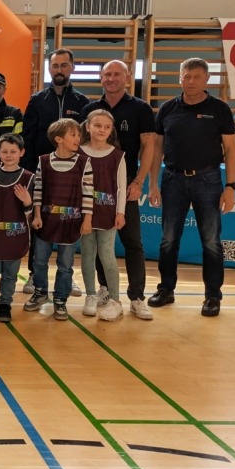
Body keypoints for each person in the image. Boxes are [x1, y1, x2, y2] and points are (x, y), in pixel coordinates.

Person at [148, 57, 235, 318]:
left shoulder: (219, 109)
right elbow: (157, 149)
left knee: (211, 241)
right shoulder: (167, 109)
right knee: (168, 239)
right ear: (180, 77)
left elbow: (231, 149)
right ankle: (166, 289)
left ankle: (212, 297)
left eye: (196, 77)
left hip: (208, 180)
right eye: (186, 76)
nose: (190, 82)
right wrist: (153, 184)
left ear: (207, 79)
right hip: (173, 179)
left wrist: (231, 186)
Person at [81, 60, 156, 317]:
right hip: (94, 189)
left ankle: (137, 297)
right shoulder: (90, 109)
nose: (112, 78)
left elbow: (149, 146)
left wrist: (138, 182)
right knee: (98, 243)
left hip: (126, 184)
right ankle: (104, 289)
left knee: (132, 241)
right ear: (101, 78)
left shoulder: (141, 108)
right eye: (107, 74)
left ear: (128, 77)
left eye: (117, 74)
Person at [21, 49, 90, 296]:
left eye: (63, 65)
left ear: (72, 67)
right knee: (39, 223)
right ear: (49, 69)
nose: (59, 70)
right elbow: (27, 137)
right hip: (43, 172)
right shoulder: (37, 100)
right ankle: (34, 275)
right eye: (55, 66)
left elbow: (85, 139)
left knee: (68, 223)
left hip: (71, 177)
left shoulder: (82, 102)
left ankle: (67, 277)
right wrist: (29, 173)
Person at [24, 118, 93, 321]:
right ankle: (40, 292)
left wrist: (87, 219)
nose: (78, 138)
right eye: (73, 134)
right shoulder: (44, 161)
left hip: (71, 223)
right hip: (46, 221)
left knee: (65, 264)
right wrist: (37, 215)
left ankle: (61, 299)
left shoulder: (84, 162)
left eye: (79, 134)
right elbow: (38, 191)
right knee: (39, 261)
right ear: (59, 139)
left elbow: (88, 193)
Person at [78, 111, 129, 321]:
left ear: (111, 130)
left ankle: (115, 301)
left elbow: (121, 187)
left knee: (107, 255)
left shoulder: (117, 155)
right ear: (88, 126)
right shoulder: (78, 152)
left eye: (107, 127)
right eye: (97, 125)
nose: (102, 130)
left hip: (108, 212)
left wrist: (120, 212)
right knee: (87, 254)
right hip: (84, 214)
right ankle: (90, 295)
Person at [0, 134, 34, 323]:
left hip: (16, 237)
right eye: (4, 151)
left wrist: (27, 201)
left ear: (21, 152)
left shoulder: (28, 178)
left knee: (10, 275)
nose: (8, 155)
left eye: (13, 151)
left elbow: (31, 214)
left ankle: (5, 304)